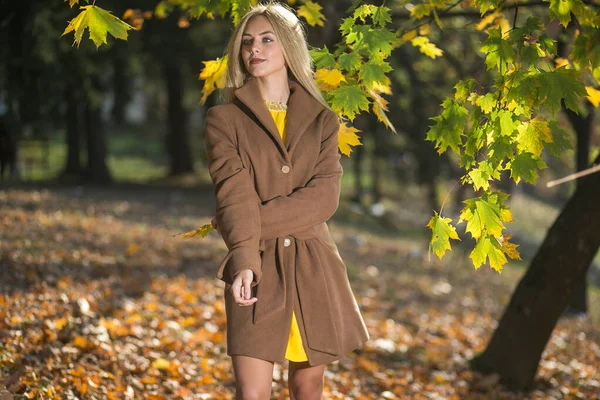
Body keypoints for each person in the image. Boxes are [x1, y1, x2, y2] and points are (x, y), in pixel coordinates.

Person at [205, 2, 370, 399]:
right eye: (247, 42)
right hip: (255, 264)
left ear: (289, 47)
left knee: (308, 385)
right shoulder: (224, 118)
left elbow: (323, 199)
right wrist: (244, 255)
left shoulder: (323, 121)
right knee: (252, 392)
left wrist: (240, 223)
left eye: (266, 39)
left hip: (315, 267)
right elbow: (233, 191)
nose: (254, 50)